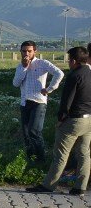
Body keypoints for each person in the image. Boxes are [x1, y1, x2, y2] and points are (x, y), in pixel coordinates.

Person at [27, 46, 90, 197]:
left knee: (61, 154)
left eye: (69, 60)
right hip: (89, 121)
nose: (68, 62)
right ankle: (80, 187)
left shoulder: (74, 76)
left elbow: (66, 102)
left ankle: (49, 185)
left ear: (74, 61)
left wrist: (61, 119)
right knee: (84, 154)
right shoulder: (90, 73)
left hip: (73, 121)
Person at [12, 41, 64, 161]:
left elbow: (59, 73)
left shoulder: (42, 63)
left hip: (38, 102)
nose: (26, 53)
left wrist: (50, 88)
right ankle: (31, 159)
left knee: (34, 131)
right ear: (20, 51)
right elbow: (15, 84)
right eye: (24, 51)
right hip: (24, 103)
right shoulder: (20, 66)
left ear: (35, 51)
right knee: (26, 134)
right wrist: (24, 67)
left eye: (29, 51)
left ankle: (41, 160)